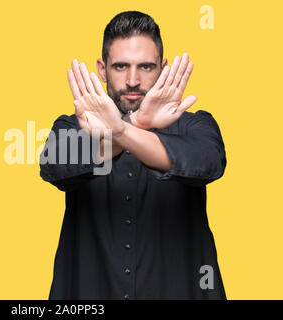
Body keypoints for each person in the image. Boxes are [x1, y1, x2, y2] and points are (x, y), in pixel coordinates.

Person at [39, 11, 227, 300]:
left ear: (163, 69)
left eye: (146, 67)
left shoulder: (197, 125)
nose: (132, 80)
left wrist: (127, 130)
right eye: (121, 66)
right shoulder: (70, 126)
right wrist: (131, 128)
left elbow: (208, 163)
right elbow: (54, 165)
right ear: (102, 69)